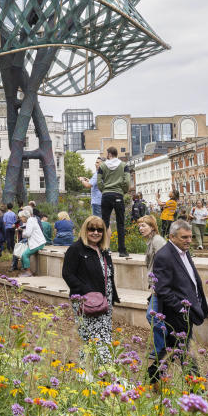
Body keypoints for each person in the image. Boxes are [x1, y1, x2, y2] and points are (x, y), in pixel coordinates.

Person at [148, 219, 208, 382]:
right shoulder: (164, 256)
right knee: (185, 352)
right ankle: (197, 390)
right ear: (172, 237)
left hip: (187, 311)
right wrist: (182, 309)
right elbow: (162, 289)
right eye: (184, 237)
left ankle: (153, 377)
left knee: (171, 348)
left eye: (190, 237)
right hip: (175, 315)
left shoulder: (184, 251)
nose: (189, 240)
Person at [61, 214, 119, 365]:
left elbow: (109, 275)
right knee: (91, 338)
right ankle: (92, 371)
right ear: (85, 230)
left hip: (104, 301)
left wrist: (112, 296)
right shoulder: (76, 249)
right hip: (86, 301)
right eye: (91, 229)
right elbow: (68, 274)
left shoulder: (104, 250)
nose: (95, 233)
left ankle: (103, 371)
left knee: (104, 335)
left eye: (99, 230)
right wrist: (86, 292)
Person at [136, 214, 167, 366]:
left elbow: (166, 262)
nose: (141, 229)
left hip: (161, 286)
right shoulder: (151, 241)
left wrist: (160, 284)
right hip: (156, 286)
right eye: (139, 226)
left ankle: (164, 346)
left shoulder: (158, 241)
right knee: (156, 316)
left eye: (143, 226)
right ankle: (161, 347)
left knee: (152, 316)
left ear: (152, 226)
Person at [95, 148, 131, 257]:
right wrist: (122, 191)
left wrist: (104, 190)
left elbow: (99, 181)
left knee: (104, 223)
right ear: (116, 154)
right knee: (120, 223)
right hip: (118, 195)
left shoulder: (102, 166)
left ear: (109, 154)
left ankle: (104, 248)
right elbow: (127, 181)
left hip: (106, 195)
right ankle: (122, 250)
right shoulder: (124, 165)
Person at [14, 208, 46, 277]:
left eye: (21, 218)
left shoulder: (30, 221)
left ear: (24, 216)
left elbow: (28, 234)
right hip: (39, 242)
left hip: (37, 243)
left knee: (25, 255)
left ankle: (28, 272)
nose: (20, 219)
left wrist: (22, 231)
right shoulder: (31, 220)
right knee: (23, 255)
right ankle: (25, 271)